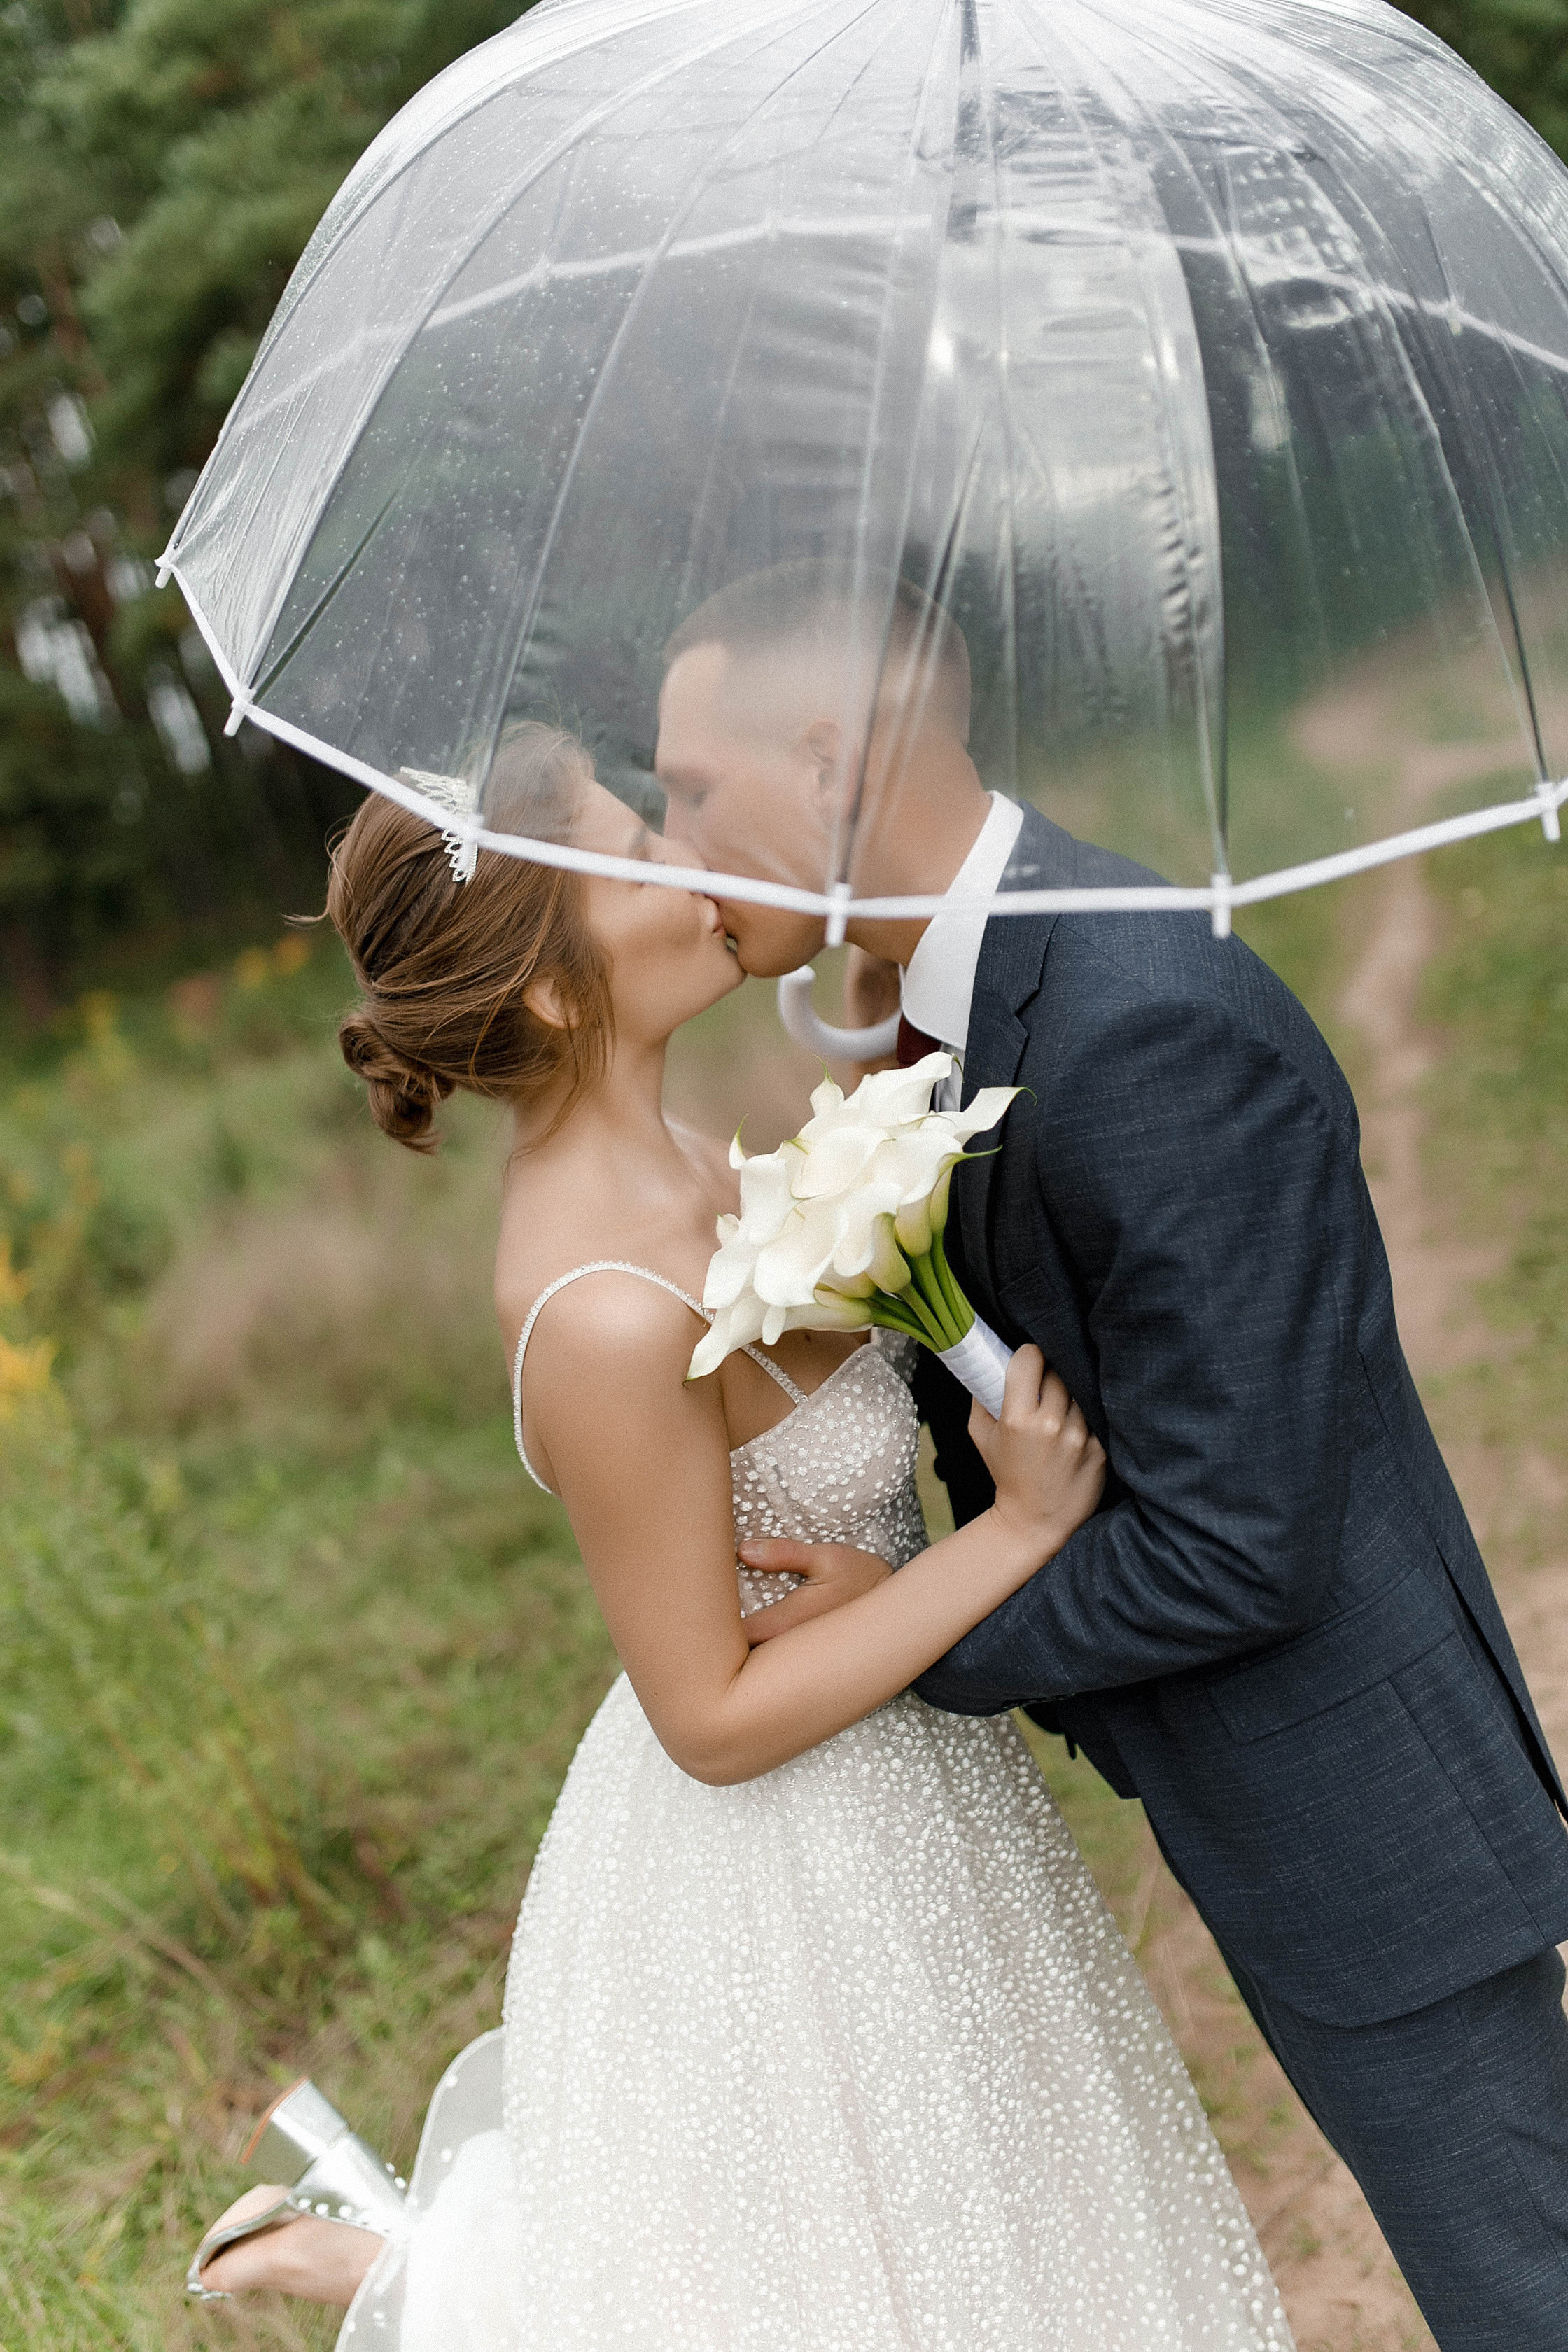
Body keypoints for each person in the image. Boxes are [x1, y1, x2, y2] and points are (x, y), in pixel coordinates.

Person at [189, 722, 1292, 2349]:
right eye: (639, 852)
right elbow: (704, 1715)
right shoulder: (596, 1319)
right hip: (785, 1857)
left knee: (986, 2224)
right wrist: (1008, 1542)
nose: (691, 854)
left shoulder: (696, 1158)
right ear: (559, 991)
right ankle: (378, 2265)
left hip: (911, 1780)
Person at [653, 559, 1568, 2352]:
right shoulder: (975, 980)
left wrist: (914, 1636)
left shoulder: (1142, 1021)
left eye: (692, 788)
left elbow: (1237, 1543)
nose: (668, 835)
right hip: (1293, 1814)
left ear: (830, 756)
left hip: (1370, 1834)